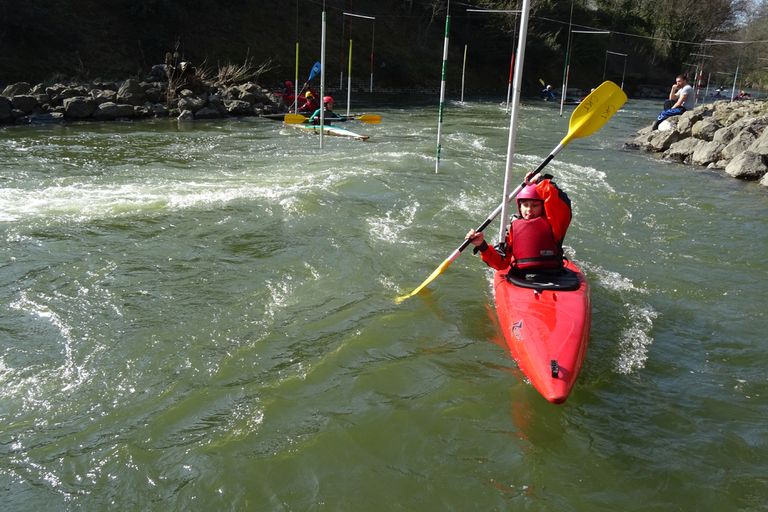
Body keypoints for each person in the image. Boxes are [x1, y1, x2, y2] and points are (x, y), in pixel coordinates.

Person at [466, 173, 571, 274]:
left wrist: (540, 180)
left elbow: (559, 202)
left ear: (543, 207)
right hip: (522, 277)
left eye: (535, 206)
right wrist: (482, 245)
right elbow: (500, 263)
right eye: (525, 205)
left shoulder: (554, 222)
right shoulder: (512, 228)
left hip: (554, 275)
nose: (529, 210)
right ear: (519, 206)